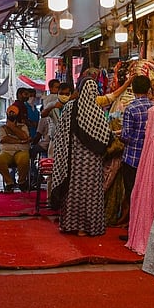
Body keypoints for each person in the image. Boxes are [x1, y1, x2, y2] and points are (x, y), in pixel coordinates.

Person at [48, 76, 113, 237]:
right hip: (92, 163)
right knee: (91, 193)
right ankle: (90, 226)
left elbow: (61, 133)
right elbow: (106, 136)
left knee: (73, 191)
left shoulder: (70, 107)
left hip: (73, 161)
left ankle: (71, 224)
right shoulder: (97, 111)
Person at [116, 75, 153, 229]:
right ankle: (142, 225)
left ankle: (132, 225)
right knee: (144, 192)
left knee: (132, 191)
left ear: (133, 89)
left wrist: (120, 135)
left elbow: (126, 136)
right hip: (148, 157)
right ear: (148, 89)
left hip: (132, 157)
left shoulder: (131, 108)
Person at [0, 104, 31, 192]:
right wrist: (20, 141)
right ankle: (9, 183)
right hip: (6, 151)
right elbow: (4, 139)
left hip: (21, 150)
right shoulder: (2, 127)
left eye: (14, 113)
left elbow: (24, 136)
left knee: (24, 159)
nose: (11, 114)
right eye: (10, 113)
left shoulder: (23, 126)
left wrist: (13, 128)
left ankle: (22, 182)